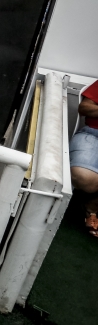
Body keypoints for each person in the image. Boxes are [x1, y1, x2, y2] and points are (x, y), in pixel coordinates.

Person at [69, 80, 98, 236]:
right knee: (82, 177)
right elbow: (84, 107)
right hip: (93, 134)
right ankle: (91, 205)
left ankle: (92, 206)